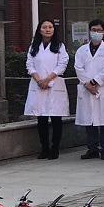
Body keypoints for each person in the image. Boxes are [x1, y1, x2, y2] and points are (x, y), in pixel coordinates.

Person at [25, 19, 70, 160]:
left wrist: (48, 79)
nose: (48, 29)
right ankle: (44, 148)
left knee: (56, 118)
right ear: (40, 30)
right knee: (41, 118)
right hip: (38, 84)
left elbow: (62, 64)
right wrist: (39, 80)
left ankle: (55, 149)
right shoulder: (33, 46)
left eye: (50, 27)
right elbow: (29, 65)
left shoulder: (59, 46)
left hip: (54, 84)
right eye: (44, 27)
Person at [74, 19, 104, 160]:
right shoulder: (81, 50)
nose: (96, 32)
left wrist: (94, 82)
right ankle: (92, 148)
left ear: (103, 33)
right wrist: (87, 84)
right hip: (87, 88)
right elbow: (78, 68)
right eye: (93, 30)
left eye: (99, 30)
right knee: (89, 120)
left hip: (102, 87)